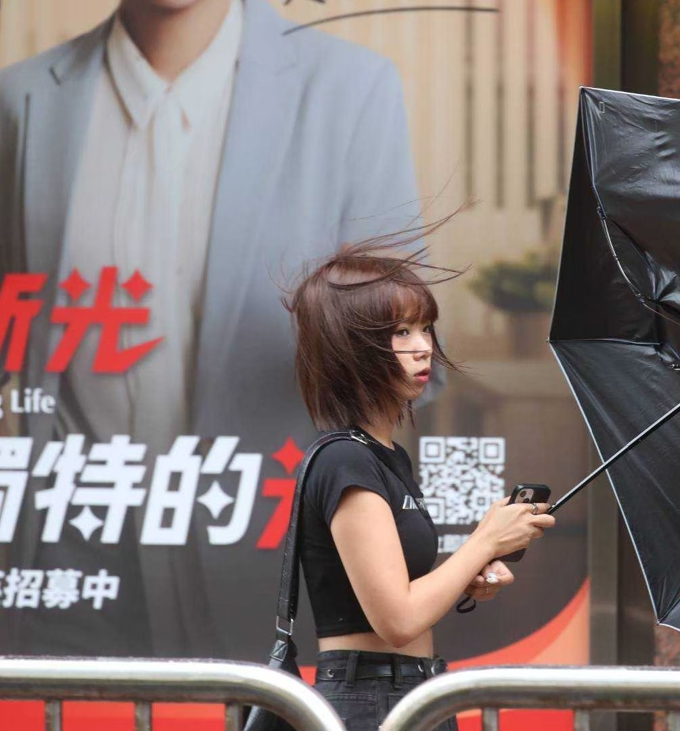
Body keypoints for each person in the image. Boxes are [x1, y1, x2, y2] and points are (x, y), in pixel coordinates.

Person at [0, 0, 421, 656]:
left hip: (275, 578)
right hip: (75, 574)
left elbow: (417, 364)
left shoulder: (348, 90)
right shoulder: (22, 99)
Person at [286, 239, 556, 730]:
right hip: (369, 697)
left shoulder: (387, 456)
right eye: (400, 332)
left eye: (426, 328)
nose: (423, 346)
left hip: (414, 690)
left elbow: (406, 601)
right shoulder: (347, 459)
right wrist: (484, 543)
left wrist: (467, 575)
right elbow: (398, 621)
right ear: (351, 347)